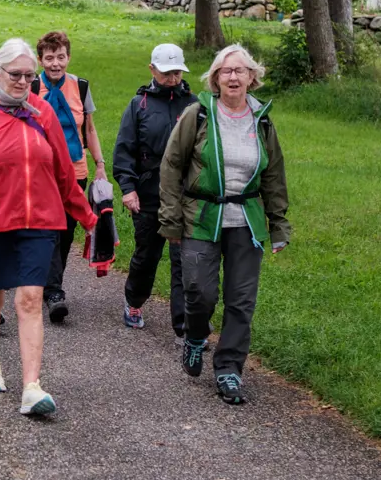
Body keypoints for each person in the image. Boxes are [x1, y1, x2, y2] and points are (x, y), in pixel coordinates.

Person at [0, 38, 97, 416]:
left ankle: (32, 387)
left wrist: (89, 219)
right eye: (16, 75)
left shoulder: (43, 113)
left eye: (30, 76)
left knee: (29, 300)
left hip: (39, 221)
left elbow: (64, 173)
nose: (24, 82)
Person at [160, 44, 290, 405]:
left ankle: (229, 369)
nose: (233, 76)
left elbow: (274, 176)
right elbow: (171, 166)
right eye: (226, 71)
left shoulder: (261, 119)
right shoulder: (198, 114)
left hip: (246, 221)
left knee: (241, 300)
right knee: (200, 293)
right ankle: (195, 337)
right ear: (215, 78)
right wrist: (170, 218)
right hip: (201, 217)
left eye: (240, 70)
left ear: (252, 77)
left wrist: (279, 225)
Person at [113, 44, 197, 339]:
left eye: (177, 72)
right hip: (148, 194)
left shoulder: (194, 105)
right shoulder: (139, 105)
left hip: (185, 196)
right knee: (147, 255)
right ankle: (134, 301)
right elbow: (124, 150)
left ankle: (184, 325)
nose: (173, 78)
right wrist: (127, 188)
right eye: (166, 73)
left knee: (183, 260)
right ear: (152, 70)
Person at [33, 31, 107, 324]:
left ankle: (50, 284)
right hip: (42, 171)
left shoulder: (81, 86)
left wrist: (100, 164)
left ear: (68, 57)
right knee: (49, 229)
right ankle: (54, 292)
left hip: (75, 170)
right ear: (41, 59)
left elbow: (89, 130)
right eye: (49, 57)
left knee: (65, 233)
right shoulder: (32, 86)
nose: (55, 63)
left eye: (60, 56)